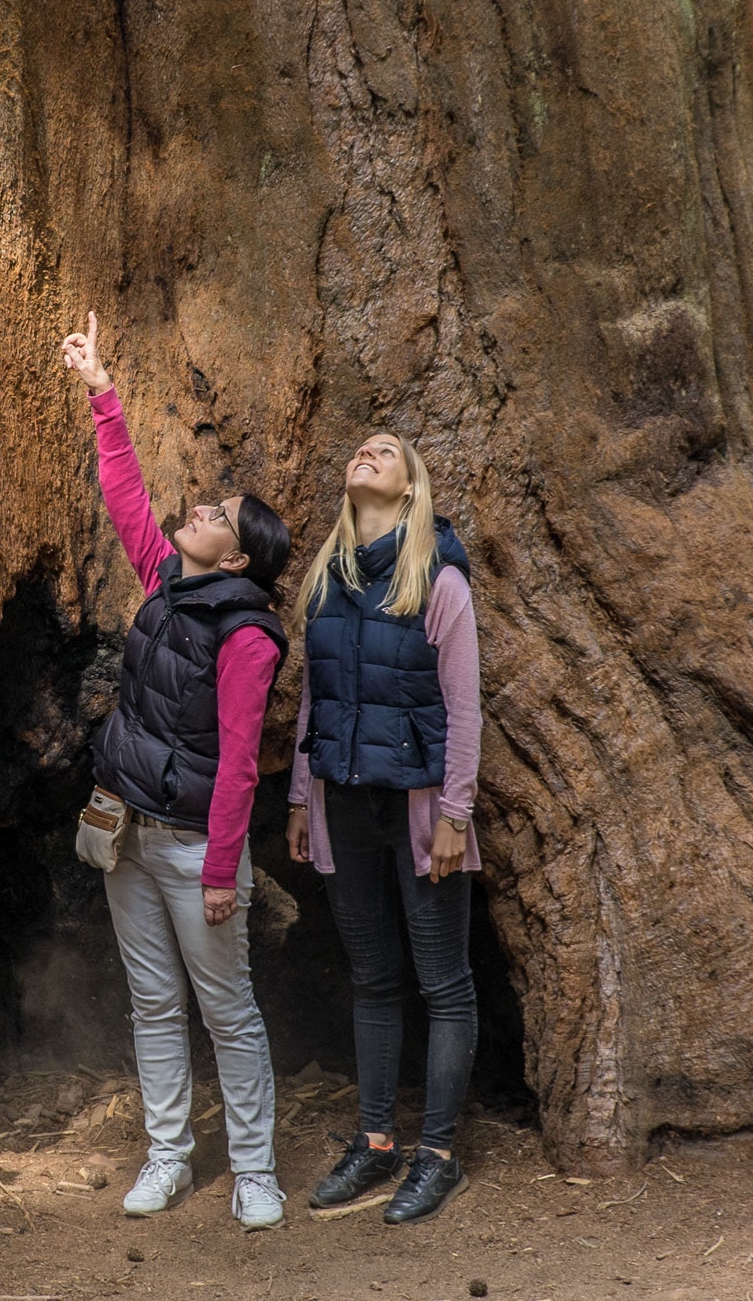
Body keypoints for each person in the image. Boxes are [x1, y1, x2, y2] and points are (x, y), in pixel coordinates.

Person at [58, 312, 294, 1232]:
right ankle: (166, 1157)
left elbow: (240, 764)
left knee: (226, 1008)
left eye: (216, 519)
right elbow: (126, 496)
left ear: (234, 558)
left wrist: (229, 869)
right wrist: (101, 392)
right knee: (153, 1001)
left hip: (198, 850)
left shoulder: (246, 635)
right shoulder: (166, 581)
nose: (196, 510)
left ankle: (256, 1171)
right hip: (128, 828)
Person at [285, 432, 481, 1226]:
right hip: (345, 805)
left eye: (388, 451)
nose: (369, 451)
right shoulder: (327, 578)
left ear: (408, 490)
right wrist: (302, 797)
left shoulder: (439, 576)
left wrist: (456, 816)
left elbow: (464, 705)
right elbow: (314, 700)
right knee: (372, 977)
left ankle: (436, 1154)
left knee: (444, 981)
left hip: (421, 810)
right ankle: (376, 1142)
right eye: (362, 447)